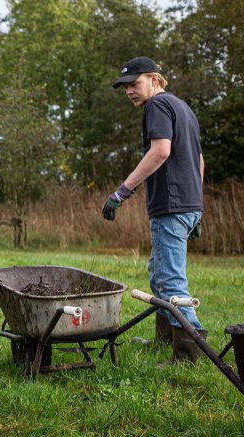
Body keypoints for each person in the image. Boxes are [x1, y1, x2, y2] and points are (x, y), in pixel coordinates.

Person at [104, 57, 205, 363]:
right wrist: (197, 206)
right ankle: (165, 339)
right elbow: (199, 161)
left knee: (171, 280)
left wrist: (123, 191)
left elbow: (160, 151)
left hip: (171, 205)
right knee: (159, 274)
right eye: (125, 87)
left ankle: (188, 353)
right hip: (187, 204)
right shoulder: (183, 108)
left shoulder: (156, 107)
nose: (129, 92)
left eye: (135, 84)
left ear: (154, 79)